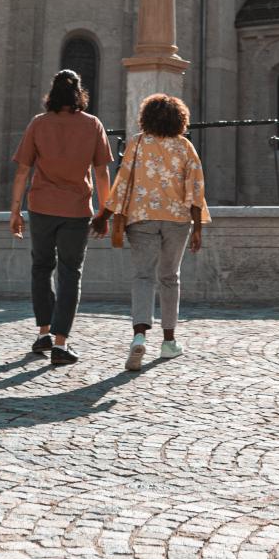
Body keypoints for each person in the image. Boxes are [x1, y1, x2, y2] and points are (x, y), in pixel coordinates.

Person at [93, 92, 208, 371]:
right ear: (179, 119)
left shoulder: (137, 143)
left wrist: (103, 215)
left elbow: (122, 182)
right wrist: (197, 229)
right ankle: (169, 342)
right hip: (177, 220)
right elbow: (195, 188)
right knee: (170, 277)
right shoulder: (185, 147)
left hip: (141, 218)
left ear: (146, 117)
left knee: (143, 276)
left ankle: (139, 336)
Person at [10, 69, 113, 367]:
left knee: (41, 268)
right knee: (70, 273)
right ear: (80, 93)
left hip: (41, 207)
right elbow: (102, 172)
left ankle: (43, 332)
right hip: (76, 210)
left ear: (52, 94)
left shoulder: (39, 124)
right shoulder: (92, 125)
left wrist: (15, 211)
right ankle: (60, 343)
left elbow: (22, 171)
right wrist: (104, 211)